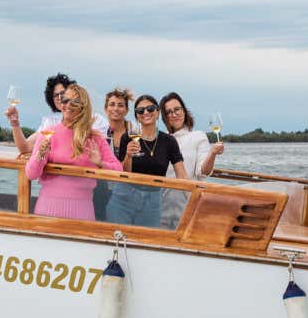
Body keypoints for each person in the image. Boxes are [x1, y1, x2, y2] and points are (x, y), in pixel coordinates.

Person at [24, 84, 122, 220]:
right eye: (65, 100)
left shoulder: (95, 138)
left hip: (83, 211)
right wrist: (41, 154)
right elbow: (31, 174)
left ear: (83, 107)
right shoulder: (48, 134)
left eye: (75, 102)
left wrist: (100, 164)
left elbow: (119, 170)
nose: (68, 105)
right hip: (47, 210)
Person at [105, 94, 188, 227]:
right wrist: (128, 156)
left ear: (158, 112)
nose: (146, 113)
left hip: (152, 201)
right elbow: (123, 174)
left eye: (150, 108)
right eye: (140, 110)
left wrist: (194, 200)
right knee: (115, 240)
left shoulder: (169, 141)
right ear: (137, 115)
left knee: (145, 244)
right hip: (123, 198)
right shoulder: (128, 137)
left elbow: (182, 175)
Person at [159, 91, 225, 225]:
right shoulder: (161, 139)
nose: (174, 114)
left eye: (177, 109)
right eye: (169, 112)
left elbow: (204, 172)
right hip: (161, 206)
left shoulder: (197, 137)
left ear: (184, 111)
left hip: (188, 205)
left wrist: (212, 153)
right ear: (165, 117)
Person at [8, 73, 109, 155]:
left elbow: (103, 152)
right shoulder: (50, 123)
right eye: (56, 95)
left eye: (63, 93)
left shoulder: (95, 120)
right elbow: (25, 148)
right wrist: (15, 124)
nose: (60, 98)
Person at [93, 87, 134, 219]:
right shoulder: (99, 132)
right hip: (101, 190)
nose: (116, 109)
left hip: (127, 193)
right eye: (112, 104)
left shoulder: (134, 133)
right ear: (106, 109)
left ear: (127, 110)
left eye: (120, 105)